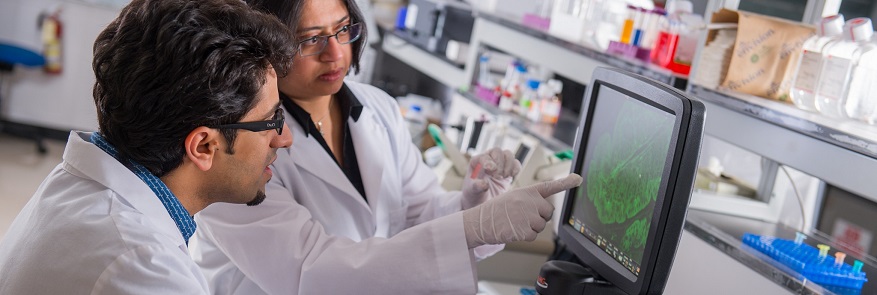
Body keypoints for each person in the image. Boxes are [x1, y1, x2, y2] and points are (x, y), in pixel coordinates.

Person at [190, 0, 583, 293]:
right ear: (269, 46)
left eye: (343, 29)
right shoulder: (237, 143)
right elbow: (311, 272)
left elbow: (414, 215)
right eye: (311, 40)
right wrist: (469, 229)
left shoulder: (377, 108)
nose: (336, 53)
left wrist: (474, 205)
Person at [0, 0, 294, 293]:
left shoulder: (77, 187)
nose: (284, 138)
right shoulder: (145, 270)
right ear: (203, 146)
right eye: (271, 121)